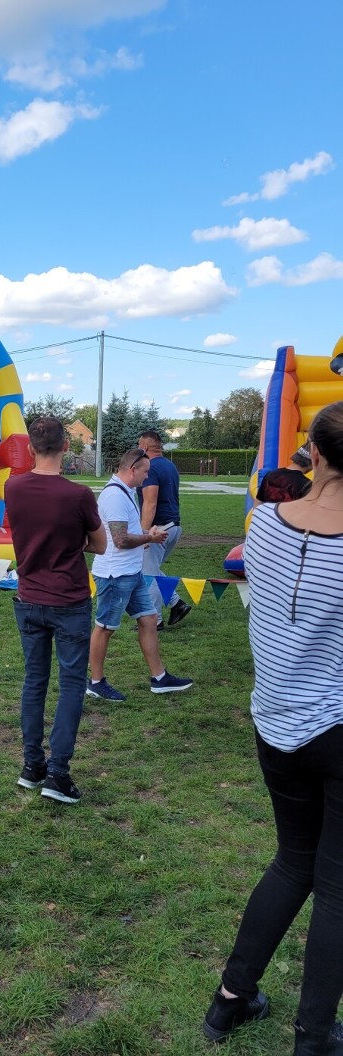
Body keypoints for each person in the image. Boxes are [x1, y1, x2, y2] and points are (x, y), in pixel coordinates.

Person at [202, 401, 343, 1055]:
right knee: (335, 885)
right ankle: (313, 1037)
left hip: (275, 724)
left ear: (311, 453)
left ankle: (231, 1001)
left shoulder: (262, 524)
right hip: (331, 729)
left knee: (294, 862)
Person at [4, 416, 107, 804]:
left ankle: (33, 766)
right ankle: (58, 774)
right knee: (70, 687)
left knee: (34, 682)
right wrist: (74, 541)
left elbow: (27, 532)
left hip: (29, 599)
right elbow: (100, 546)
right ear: (67, 447)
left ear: (31, 448)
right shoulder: (79, 495)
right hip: (68, 602)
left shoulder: (12, 487)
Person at [88, 447, 194, 700]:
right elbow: (120, 540)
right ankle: (95, 682)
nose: (147, 477)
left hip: (131, 572)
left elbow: (125, 535)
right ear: (132, 469)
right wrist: (150, 537)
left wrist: (146, 538)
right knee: (105, 628)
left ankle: (159, 678)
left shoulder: (126, 492)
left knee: (148, 620)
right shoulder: (114, 496)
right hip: (115, 575)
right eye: (145, 472)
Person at [137, 430, 191, 631]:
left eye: (138, 445)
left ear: (144, 447)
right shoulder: (170, 465)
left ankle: (154, 621)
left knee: (147, 573)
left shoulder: (149, 468)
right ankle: (177, 603)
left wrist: (144, 534)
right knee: (153, 571)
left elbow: (150, 503)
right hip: (174, 526)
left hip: (158, 529)